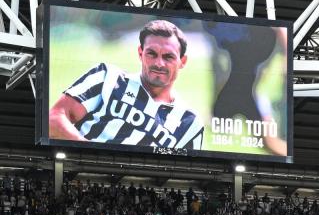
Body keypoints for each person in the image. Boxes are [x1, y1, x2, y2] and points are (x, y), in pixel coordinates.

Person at [49, 19, 204, 148]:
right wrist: (92, 155)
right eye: (152, 54)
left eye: (168, 57)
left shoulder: (190, 123)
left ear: (182, 61)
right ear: (140, 53)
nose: (159, 63)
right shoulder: (107, 77)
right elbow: (54, 119)